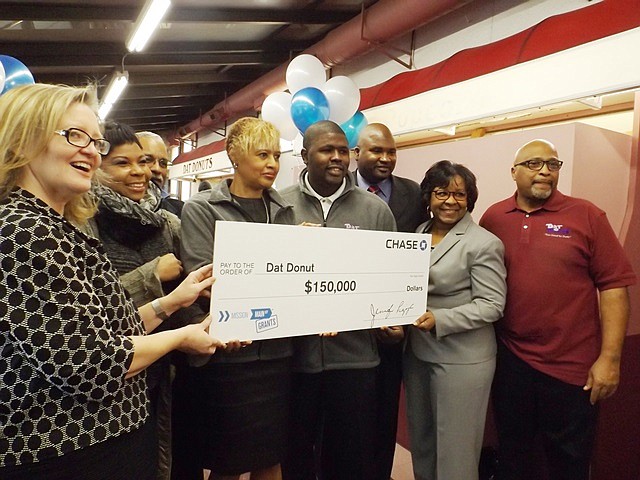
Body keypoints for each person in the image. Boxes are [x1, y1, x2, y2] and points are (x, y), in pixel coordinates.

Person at [0, 83, 221, 480]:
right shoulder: (25, 230)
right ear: (22, 140)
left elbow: (109, 331)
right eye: (74, 135)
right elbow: (92, 363)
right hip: (68, 450)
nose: (90, 150)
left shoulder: (60, 226)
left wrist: (172, 302)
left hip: (103, 442)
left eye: (95, 141)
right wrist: (180, 336)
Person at [479, 139, 636, 480]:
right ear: (514, 172)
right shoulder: (494, 217)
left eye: (553, 164)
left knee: (569, 462)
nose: (545, 172)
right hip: (510, 362)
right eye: (534, 164)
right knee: (513, 454)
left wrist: (609, 359)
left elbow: (613, 287)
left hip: (572, 368)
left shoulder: (587, 215)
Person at [279, 120, 397, 480]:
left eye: (342, 150)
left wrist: (390, 317)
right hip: (294, 359)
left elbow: (389, 279)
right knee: (295, 452)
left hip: (356, 359)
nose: (336, 158)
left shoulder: (375, 210)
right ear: (304, 156)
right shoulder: (279, 206)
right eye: (326, 150)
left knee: (350, 455)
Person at [180, 117, 294, 480]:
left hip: (277, 353)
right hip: (229, 353)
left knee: (270, 457)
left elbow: (294, 275)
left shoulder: (285, 209)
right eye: (262, 154)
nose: (272, 164)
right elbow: (206, 276)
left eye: (276, 155)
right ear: (234, 155)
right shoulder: (202, 208)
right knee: (227, 461)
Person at [85, 121, 185, 480]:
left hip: (163, 371)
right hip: (106, 382)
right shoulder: (83, 221)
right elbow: (93, 305)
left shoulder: (167, 224)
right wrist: (152, 276)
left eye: (141, 161)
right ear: (96, 165)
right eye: (122, 163)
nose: (140, 171)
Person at [403, 160, 507, 480]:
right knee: (422, 440)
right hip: (418, 354)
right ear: (428, 197)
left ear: (470, 199)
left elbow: (493, 305)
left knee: (456, 449)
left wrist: (441, 318)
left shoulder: (483, 243)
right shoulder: (418, 233)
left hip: (463, 359)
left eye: (459, 195)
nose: (450, 201)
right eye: (442, 193)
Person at [353, 123, 426, 480]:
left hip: (394, 328)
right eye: (376, 151)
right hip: (344, 327)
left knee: (384, 413)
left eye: (391, 152)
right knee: (345, 417)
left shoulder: (414, 194)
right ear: (357, 154)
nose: (385, 158)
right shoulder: (340, 191)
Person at [137, 131, 184, 217]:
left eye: (163, 163)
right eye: (147, 160)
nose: (157, 169)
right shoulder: (106, 214)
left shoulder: (183, 212)